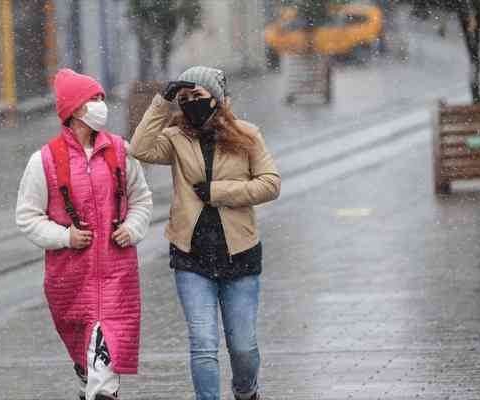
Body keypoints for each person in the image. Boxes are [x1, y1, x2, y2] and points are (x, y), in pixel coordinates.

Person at [129, 66, 281, 400]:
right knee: (203, 345)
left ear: (216, 97)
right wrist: (161, 102)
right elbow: (139, 148)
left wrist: (219, 191)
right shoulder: (175, 138)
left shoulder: (247, 134)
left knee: (243, 347)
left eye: (197, 96)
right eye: (184, 99)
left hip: (239, 252)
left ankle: (246, 391)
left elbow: (271, 184)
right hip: (191, 255)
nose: (190, 104)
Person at [16, 68, 152, 400]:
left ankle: (98, 386)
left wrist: (132, 228)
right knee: (86, 357)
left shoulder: (121, 152)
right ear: (75, 109)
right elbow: (27, 217)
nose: (101, 105)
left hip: (117, 276)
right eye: (94, 99)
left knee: (104, 376)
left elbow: (141, 199)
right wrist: (65, 237)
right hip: (70, 279)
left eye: (101, 98)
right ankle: (85, 374)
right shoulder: (43, 161)